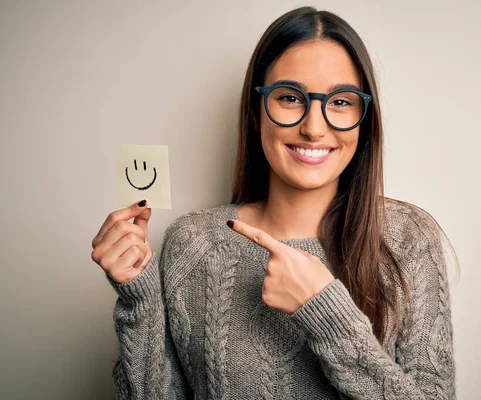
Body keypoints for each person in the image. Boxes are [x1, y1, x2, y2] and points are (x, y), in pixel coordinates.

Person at [91, 6, 458, 399]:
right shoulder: (192, 243)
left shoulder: (407, 239)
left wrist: (328, 315)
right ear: (255, 112)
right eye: (289, 97)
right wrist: (139, 299)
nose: (314, 128)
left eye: (340, 102)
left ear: (364, 119)